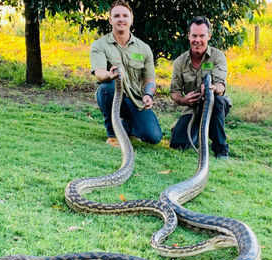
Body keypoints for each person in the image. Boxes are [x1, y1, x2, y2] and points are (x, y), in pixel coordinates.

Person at [90, 0, 162, 147]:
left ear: (131, 19)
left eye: (125, 15)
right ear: (110, 20)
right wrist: (109, 75)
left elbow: (150, 79)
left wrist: (148, 94)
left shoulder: (144, 48)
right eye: (116, 16)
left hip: (135, 100)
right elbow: (99, 73)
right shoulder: (100, 45)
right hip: (114, 93)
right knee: (107, 88)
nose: (121, 19)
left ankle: (127, 127)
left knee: (153, 137)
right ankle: (113, 134)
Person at [169, 16, 232, 159]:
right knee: (178, 145)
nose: (197, 40)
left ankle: (221, 149)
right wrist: (184, 100)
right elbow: (174, 92)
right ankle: (194, 131)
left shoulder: (217, 57)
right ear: (188, 36)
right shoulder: (180, 62)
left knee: (218, 101)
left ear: (209, 36)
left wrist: (212, 89)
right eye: (194, 35)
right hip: (191, 109)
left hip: (214, 105)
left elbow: (221, 86)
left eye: (202, 35)